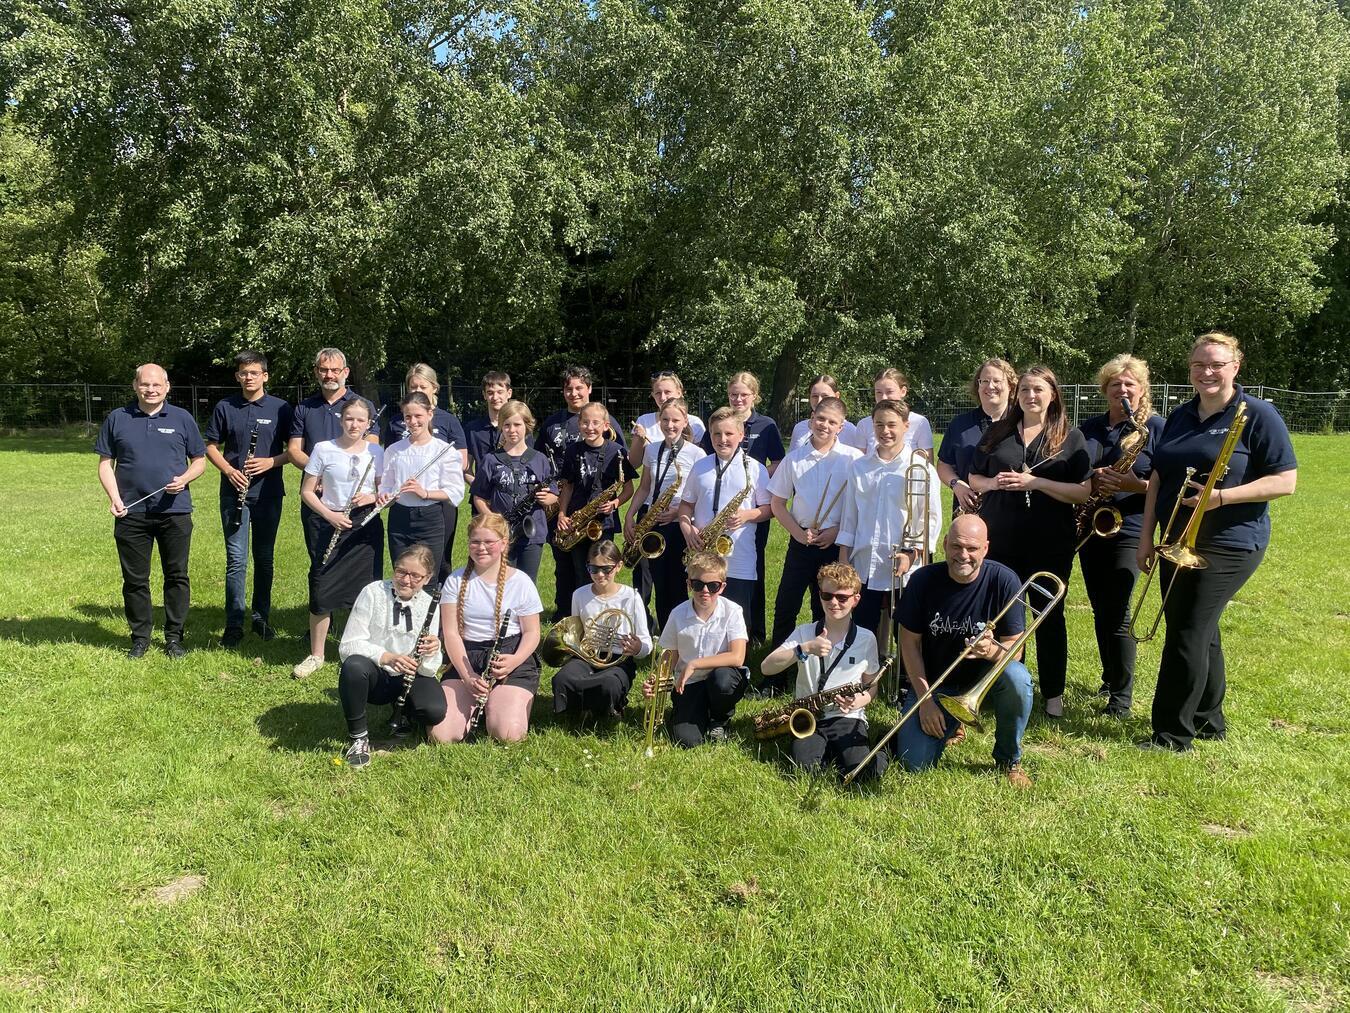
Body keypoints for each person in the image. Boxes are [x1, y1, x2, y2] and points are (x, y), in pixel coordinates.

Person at [1137, 332, 1296, 752]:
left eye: (1217, 364)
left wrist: (1220, 497)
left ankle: (1172, 734)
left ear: (1235, 367)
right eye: (1199, 365)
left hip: (1231, 539)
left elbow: (1286, 481)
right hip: (1175, 537)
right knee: (1201, 631)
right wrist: (1145, 537)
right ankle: (1209, 720)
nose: (1207, 372)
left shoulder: (1257, 414)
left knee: (1187, 631)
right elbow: (1156, 478)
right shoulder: (1179, 415)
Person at [969, 366, 1091, 718]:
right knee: (995, 617)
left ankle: (1053, 696)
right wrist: (994, 484)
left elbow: (1083, 491)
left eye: (1038, 389)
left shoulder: (1070, 437)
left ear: (1053, 394)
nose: (1030, 396)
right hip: (1001, 539)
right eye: (1024, 390)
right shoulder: (998, 431)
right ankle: (992, 687)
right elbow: (974, 477)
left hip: (1049, 543)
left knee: (1048, 617)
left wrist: (1035, 484)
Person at [893, 515, 1034, 787]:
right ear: (945, 544)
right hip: (935, 684)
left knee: (1018, 678)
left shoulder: (1005, 580)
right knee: (914, 763)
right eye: (956, 546)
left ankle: (1009, 759)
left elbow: (1015, 652)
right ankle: (952, 723)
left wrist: (991, 651)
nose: (963, 555)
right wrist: (925, 701)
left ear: (986, 548)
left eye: (972, 548)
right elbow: (908, 644)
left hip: (984, 685)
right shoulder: (923, 580)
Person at [95, 363, 207, 658]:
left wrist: (184, 479)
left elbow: (199, 460)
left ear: (167, 387)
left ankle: (174, 637)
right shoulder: (118, 418)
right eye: (145, 384)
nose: (151, 390)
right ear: (135, 386)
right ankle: (140, 637)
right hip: (131, 513)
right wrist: (114, 497)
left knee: (177, 575)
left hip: (175, 512)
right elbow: (105, 463)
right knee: (135, 580)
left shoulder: (182, 418)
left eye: (157, 385)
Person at [1076, 355, 1165, 717]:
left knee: (1120, 612)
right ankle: (1110, 677)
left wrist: (1133, 484)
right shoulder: (1090, 428)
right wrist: (1091, 478)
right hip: (1092, 525)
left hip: (1130, 527)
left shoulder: (1155, 428)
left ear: (1142, 390)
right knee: (1101, 609)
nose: (1123, 390)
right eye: (1116, 384)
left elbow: (1166, 484)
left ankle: (1122, 699)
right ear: (1105, 389)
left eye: (1130, 384)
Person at [763, 395, 862, 695]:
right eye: (820, 419)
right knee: (785, 606)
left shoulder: (852, 459)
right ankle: (774, 679)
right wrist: (796, 532)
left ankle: (824, 672)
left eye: (832, 422)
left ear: (841, 427)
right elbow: (777, 503)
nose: (825, 425)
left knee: (827, 608)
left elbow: (858, 505)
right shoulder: (795, 459)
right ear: (811, 420)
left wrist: (836, 531)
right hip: (801, 540)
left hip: (834, 542)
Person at [759, 563, 885, 781]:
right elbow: (766, 667)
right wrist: (804, 649)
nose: (834, 602)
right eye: (827, 596)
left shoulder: (866, 639)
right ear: (820, 596)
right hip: (809, 716)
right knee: (805, 772)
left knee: (864, 774)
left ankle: (884, 749)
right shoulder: (805, 633)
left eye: (842, 597)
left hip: (847, 717)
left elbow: (871, 685)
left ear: (856, 599)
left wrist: (860, 701)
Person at [203, 350, 293, 647]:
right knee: (236, 560)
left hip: (268, 493)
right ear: (237, 376)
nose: (248, 377)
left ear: (265, 375)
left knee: (264, 559)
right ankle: (234, 623)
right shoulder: (225, 406)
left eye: (254, 372)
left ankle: (261, 617)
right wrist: (229, 470)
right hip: (234, 492)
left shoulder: (281, 408)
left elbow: (293, 450)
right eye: (243, 373)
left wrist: (271, 462)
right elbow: (212, 446)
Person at [429, 512, 544, 744]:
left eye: (489, 542)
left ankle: (496, 704)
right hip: (466, 655)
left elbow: (532, 633)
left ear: (503, 543)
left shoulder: (521, 581)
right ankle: (481, 705)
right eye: (475, 542)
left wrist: (513, 661)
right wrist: (469, 677)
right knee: (441, 736)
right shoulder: (456, 580)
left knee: (508, 734)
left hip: (510, 655)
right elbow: (450, 633)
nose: (481, 548)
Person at [836, 399, 942, 639]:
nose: (885, 431)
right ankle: (864, 675)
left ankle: (906, 677)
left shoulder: (920, 467)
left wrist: (912, 553)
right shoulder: (859, 467)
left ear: (906, 426)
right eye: (879, 424)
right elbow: (850, 517)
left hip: (905, 566)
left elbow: (930, 520)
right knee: (862, 631)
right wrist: (844, 560)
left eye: (892, 425)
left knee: (905, 634)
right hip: (863, 563)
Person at [295, 397, 384, 680]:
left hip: (365, 524)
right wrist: (329, 515)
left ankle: (361, 649)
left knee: (367, 590)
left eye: (360, 420)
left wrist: (372, 497)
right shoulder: (323, 449)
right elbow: (307, 491)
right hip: (330, 521)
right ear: (340, 419)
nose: (354, 424)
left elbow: (386, 494)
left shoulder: (377, 452)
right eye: (349, 418)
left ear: (368, 423)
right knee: (321, 586)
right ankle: (317, 654)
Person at [336, 544, 446, 769]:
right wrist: (385, 656)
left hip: (409, 675)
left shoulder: (429, 604)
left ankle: (404, 714)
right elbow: (347, 646)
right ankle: (358, 738)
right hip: (376, 674)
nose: (406, 580)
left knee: (434, 711)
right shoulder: (373, 592)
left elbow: (428, 670)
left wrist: (433, 651)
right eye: (401, 572)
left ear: (427, 578)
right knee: (353, 667)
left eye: (415, 576)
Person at [700, 370, 784, 643]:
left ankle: (753, 631)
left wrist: (758, 483)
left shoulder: (766, 424)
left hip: (752, 501)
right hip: (720, 502)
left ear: (754, 396)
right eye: (733, 394)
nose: (738, 399)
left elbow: (777, 462)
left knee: (751, 570)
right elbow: (707, 458)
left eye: (743, 394)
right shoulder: (719, 421)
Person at [537, 365, 626, 619]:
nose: (574, 393)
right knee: (564, 566)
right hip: (561, 505)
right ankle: (565, 614)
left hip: (595, 511)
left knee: (596, 561)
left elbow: (621, 465)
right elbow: (540, 461)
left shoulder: (608, 423)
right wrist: (553, 498)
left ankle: (596, 613)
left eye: (579, 387)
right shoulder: (552, 423)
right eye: (569, 388)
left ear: (589, 388)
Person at [643, 550, 749, 747]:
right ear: (689, 584)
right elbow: (669, 658)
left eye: (713, 586)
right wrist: (655, 680)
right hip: (689, 684)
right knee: (687, 741)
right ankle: (695, 712)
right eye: (698, 584)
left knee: (723, 681)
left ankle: (720, 719)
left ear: (722, 587)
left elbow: (737, 657)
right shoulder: (677, 614)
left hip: (721, 678)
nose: (705, 591)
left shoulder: (733, 611)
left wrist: (694, 664)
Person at [679, 407, 772, 621]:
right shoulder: (700, 466)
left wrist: (747, 515)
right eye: (717, 434)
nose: (722, 439)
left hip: (739, 556)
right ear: (709, 435)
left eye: (729, 434)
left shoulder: (755, 469)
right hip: (703, 552)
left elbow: (769, 509)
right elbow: (685, 506)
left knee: (737, 618)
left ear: (741, 435)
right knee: (701, 613)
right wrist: (687, 528)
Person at [624, 396, 706, 629]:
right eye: (665, 419)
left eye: (675, 420)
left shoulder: (695, 454)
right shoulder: (651, 450)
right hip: (650, 516)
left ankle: (678, 628)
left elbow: (697, 494)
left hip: (675, 520)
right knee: (656, 578)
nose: (670, 425)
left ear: (685, 422)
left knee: (676, 579)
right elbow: (645, 487)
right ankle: (659, 625)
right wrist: (630, 515)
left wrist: (678, 512)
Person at [288, 348, 377, 560]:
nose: (329, 375)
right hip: (316, 494)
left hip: (354, 496)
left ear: (345, 372)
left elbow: (372, 448)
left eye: (335, 370)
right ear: (316, 372)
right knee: (319, 558)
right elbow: (293, 450)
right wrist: (318, 473)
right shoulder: (304, 407)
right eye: (324, 370)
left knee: (356, 560)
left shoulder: (362, 406)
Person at [552, 540, 653, 723]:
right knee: (562, 678)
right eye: (593, 569)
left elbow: (647, 644)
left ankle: (603, 706)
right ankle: (584, 708)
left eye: (606, 569)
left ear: (619, 566)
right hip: (587, 656)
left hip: (618, 659)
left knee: (609, 683)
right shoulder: (579, 595)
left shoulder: (631, 597)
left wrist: (637, 648)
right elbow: (577, 635)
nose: (599, 574)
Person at [384, 363, 469, 561]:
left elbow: (462, 462)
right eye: (414, 387)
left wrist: (428, 487)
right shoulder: (397, 421)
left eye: (423, 387)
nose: (418, 391)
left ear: (434, 388)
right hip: (403, 505)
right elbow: (389, 462)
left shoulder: (448, 420)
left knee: (438, 560)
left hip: (437, 503)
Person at [556, 401, 633, 609]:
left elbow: (628, 489)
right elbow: (568, 487)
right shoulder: (573, 451)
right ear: (579, 424)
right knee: (581, 572)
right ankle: (582, 614)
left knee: (604, 569)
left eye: (596, 423)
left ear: (606, 425)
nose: (590, 427)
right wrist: (562, 514)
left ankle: (604, 609)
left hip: (603, 523)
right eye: (585, 422)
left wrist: (615, 503)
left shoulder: (617, 452)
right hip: (577, 522)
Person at [469, 399, 556, 582]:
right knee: (500, 580)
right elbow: (479, 497)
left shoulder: (539, 459)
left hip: (532, 533)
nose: (512, 430)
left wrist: (546, 498)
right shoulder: (491, 460)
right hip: (501, 532)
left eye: (517, 424)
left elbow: (553, 496)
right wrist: (495, 521)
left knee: (527, 582)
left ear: (528, 425)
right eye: (506, 425)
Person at [937, 358, 1016, 516]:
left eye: (996, 381)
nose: (990, 386)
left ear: (1010, 386)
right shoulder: (960, 424)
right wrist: (956, 485)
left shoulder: (1022, 424)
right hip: (968, 513)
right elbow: (943, 464)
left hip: (1011, 514)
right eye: (984, 381)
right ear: (978, 385)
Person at [627, 371, 707, 470]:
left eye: (667, 392)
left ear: (679, 393)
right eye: (658, 393)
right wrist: (640, 441)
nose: (662, 397)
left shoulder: (695, 423)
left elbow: (702, 462)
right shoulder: (644, 421)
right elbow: (633, 464)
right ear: (652, 395)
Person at [851, 368, 934, 457]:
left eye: (889, 392)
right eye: (878, 392)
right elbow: (858, 462)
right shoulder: (864, 424)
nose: (883, 397)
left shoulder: (920, 422)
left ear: (903, 391)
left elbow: (927, 464)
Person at [787, 375, 860, 451]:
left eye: (825, 396)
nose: (819, 401)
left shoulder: (850, 431)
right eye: (815, 396)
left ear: (837, 396)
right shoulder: (799, 428)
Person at [464, 370, 513, 481]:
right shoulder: (472, 429)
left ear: (509, 393)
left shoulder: (519, 428)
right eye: (490, 393)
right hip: (480, 496)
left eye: (500, 392)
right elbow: (465, 469)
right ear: (484, 395)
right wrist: (480, 490)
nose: (495, 397)